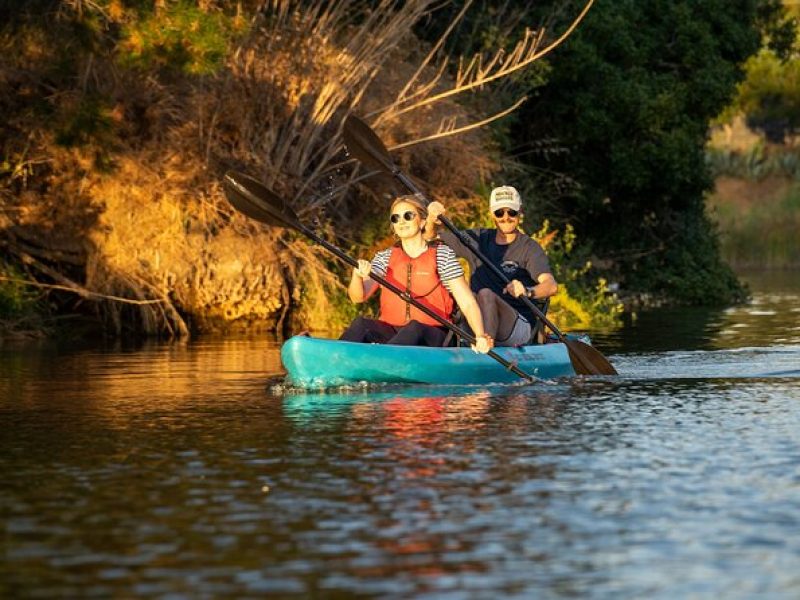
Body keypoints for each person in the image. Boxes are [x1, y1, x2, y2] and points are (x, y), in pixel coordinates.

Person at [340, 194, 493, 354]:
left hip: (434, 335)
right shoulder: (384, 257)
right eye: (396, 218)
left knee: (414, 328)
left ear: (422, 221)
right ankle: (334, 357)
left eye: (408, 216)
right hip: (393, 332)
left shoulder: (442, 255)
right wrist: (357, 276)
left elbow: (467, 303)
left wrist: (480, 335)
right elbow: (358, 297)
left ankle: (385, 359)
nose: (401, 222)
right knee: (361, 324)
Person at [425, 185, 558, 346]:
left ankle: (486, 347)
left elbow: (551, 286)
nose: (506, 217)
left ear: (520, 212)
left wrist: (528, 291)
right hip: (478, 321)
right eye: (499, 212)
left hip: (518, 326)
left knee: (486, 294)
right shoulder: (477, 238)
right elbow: (429, 238)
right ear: (492, 214)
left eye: (512, 212)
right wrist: (432, 220)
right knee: (469, 297)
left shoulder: (530, 248)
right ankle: (474, 342)